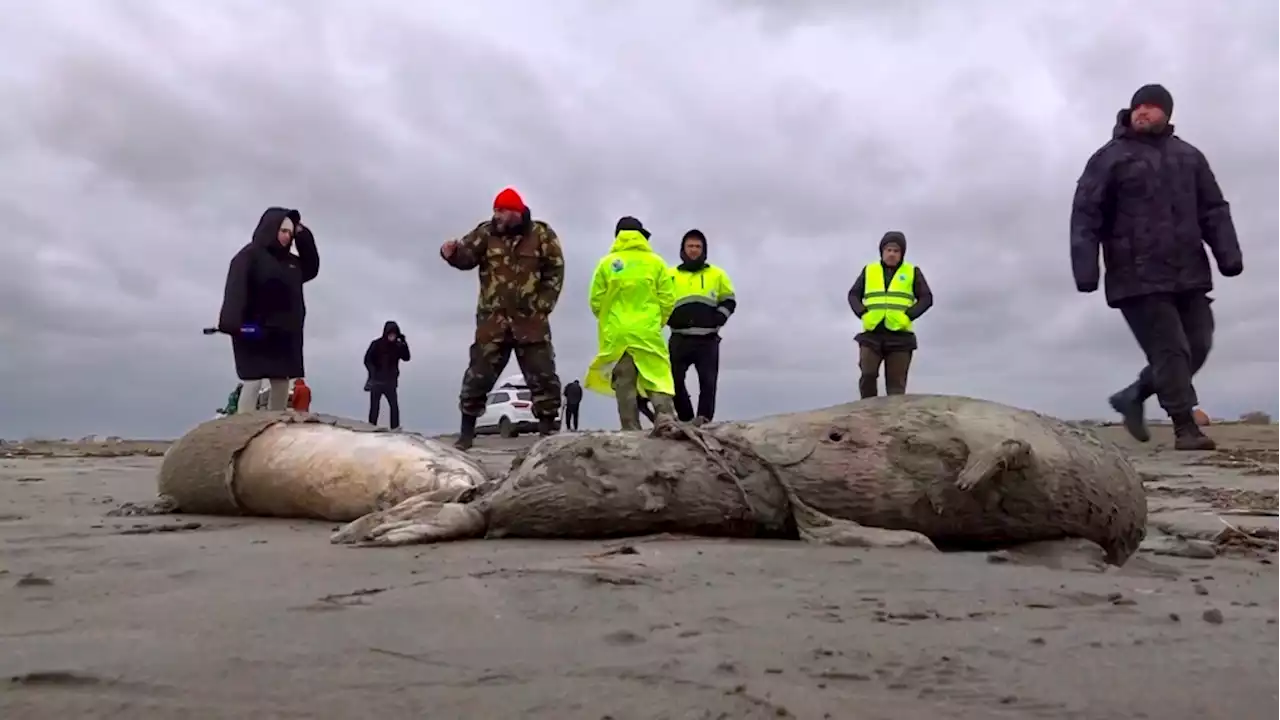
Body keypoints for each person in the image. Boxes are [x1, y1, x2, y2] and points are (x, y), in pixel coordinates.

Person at [1071, 84, 1242, 451]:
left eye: (1151, 107)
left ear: (1166, 113)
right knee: (1171, 349)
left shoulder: (1189, 157)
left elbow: (1213, 208)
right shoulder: (1109, 158)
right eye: (1138, 107)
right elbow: (1086, 215)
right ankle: (1185, 426)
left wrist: (1228, 254)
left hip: (1189, 272)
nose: (1142, 112)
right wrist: (1086, 269)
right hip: (1135, 275)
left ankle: (1134, 394)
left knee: (1198, 344)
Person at [441, 187, 564, 450]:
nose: (496, 215)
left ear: (516, 212)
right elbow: (466, 257)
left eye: (502, 210)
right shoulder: (485, 233)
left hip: (530, 321)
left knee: (543, 376)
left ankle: (547, 433)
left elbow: (555, 269)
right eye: (495, 210)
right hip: (493, 321)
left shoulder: (542, 234)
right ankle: (466, 434)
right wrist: (450, 253)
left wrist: (543, 306)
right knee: (478, 375)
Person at [218, 207, 320, 412]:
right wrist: (233, 324)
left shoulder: (291, 263)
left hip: (284, 334)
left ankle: (276, 425)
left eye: (290, 233)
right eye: (283, 231)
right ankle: (243, 426)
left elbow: (311, 267)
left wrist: (303, 235)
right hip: (253, 330)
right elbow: (235, 290)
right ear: (271, 227)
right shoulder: (248, 257)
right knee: (253, 381)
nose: (287, 237)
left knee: (281, 381)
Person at [585, 217, 677, 430]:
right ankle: (665, 417)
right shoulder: (656, 263)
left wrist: (610, 322)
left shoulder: (607, 263)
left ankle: (630, 429)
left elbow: (595, 301)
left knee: (624, 383)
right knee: (657, 374)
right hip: (647, 330)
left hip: (618, 333)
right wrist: (656, 322)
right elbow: (668, 299)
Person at [846, 231, 933, 398]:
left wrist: (908, 316)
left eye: (896, 251)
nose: (892, 254)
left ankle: (893, 421)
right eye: (888, 250)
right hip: (872, 333)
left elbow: (927, 298)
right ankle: (867, 412)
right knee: (868, 374)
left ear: (902, 254)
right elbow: (853, 295)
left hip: (900, 336)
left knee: (896, 386)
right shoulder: (870, 270)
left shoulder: (912, 271)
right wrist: (863, 313)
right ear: (882, 252)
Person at [666, 229, 736, 425]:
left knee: (708, 383)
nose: (694, 250)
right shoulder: (669, 275)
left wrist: (719, 318)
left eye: (698, 246)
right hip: (679, 338)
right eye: (690, 246)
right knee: (673, 381)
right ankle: (686, 418)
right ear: (683, 249)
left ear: (704, 249)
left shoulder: (717, 274)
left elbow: (729, 300)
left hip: (707, 339)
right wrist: (669, 318)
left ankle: (704, 421)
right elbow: (658, 301)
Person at [363, 321, 411, 429]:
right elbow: (367, 360)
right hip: (377, 381)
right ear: (386, 333)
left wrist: (404, 343)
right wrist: (372, 373)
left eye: (394, 334)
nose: (392, 336)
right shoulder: (376, 344)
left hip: (390, 382)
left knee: (394, 406)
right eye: (390, 334)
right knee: (374, 407)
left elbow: (407, 358)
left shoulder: (398, 346)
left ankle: (395, 428)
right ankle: (371, 427)